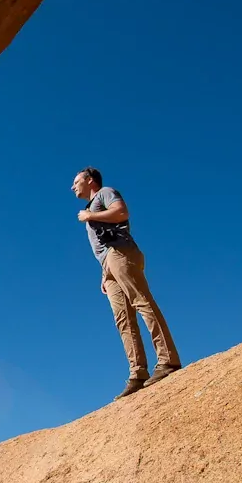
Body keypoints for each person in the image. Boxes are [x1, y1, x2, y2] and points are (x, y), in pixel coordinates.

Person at [71, 167, 181, 399]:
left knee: (141, 301)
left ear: (89, 180)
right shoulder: (91, 205)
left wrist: (89, 216)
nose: (73, 187)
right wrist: (105, 274)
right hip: (108, 264)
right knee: (123, 319)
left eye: (76, 181)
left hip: (120, 252)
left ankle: (168, 359)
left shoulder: (104, 193)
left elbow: (121, 212)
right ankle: (138, 373)